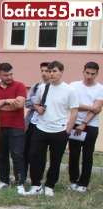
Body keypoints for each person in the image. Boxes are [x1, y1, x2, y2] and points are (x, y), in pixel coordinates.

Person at [24, 61, 78, 197]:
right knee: (34, 156)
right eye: (49, 71)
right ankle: (36, 185)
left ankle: (50, 185)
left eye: (54, 71)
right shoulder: (43, 88)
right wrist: (39, 108)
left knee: (55, 160)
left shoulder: (69, 90)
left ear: (61, 72)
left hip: (59, 130)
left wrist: (67, 131)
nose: (51, 74)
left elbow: (74, 112)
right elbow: (35, 104)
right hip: (41, 128)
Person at [0, 62, 27, 192]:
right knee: (2, 155)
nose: (9, 77)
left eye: (11, 74)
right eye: (6, 75)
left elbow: (19, 105)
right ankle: (4, 181)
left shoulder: (20, 86)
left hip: (16, 127)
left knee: (17, 155)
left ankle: (20, 183)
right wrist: (6, 101)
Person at [67, 62, 103, 193]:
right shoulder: (73, 86)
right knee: (74, 154)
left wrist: (84, 124)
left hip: (90, 126)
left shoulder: (100, 88)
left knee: (87, 155)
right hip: (74, 123)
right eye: (87, 73)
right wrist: (90, 106)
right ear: (83, 72)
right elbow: (72, 104)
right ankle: (73, 181)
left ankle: (83, 183)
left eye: (93, 74)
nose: (89, 76)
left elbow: (97, 109)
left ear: (97, 74)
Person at [23, 62, 50, 185]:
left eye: (47, 71)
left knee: (39, 154)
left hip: (44, 124)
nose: (44, 73)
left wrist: (38, 102)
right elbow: (28, 103)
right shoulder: (36, 86)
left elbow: (50, 105)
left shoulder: (54, 88)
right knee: (25, 151)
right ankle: (21, 178)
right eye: (42, 71)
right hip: (31, 123)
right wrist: (37, 102)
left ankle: (37, 179)